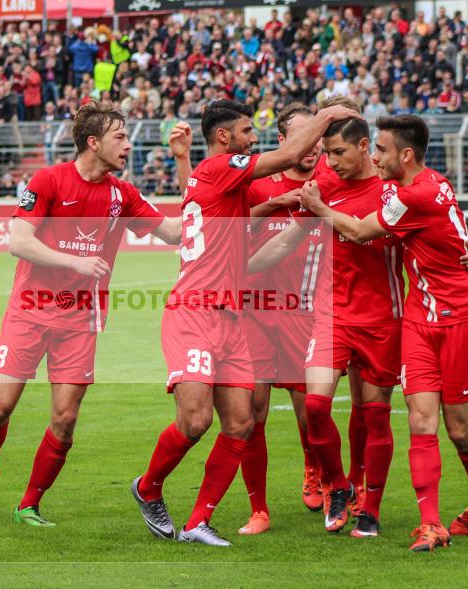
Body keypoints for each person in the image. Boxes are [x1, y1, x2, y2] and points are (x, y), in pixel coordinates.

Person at [131, 99, 358, 546]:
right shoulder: (221, 168)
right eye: (248, 131)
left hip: (233, 316)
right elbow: (289, 155)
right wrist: (330, 114)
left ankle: (198, 523)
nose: (254, 138)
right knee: (196, 421)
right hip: (195, 311)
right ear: (224, 137)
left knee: (240, 422)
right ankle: (148, 487)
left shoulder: (218, 182)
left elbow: (231, 219)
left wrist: (277, 203)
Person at [249, 113, 468, 539]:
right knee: (315, 405)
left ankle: (370, 508)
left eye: (338, 152)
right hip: (333, 314)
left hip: (385, 318)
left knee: (375, 416)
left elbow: (427, 231)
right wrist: (237, 268)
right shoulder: (324, 182)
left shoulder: (395, 192)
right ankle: (337, 485)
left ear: (363, 147)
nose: (330, 161)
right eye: (327, 153)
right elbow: (287, 239)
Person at [0, 101, 182, 527]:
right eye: (120, 137)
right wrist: (75, 262)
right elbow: (19, 241)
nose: (128, 146)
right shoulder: (49, 179)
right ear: (93, 142)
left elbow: (173, 232)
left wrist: (189, 168)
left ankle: (29, 505)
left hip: (80, 320)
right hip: (29, 310)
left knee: (66, 419)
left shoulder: (123, 194)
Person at [233, 102, 327, 536]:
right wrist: (271, 206)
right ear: (283, 141)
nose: (312, 145)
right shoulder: (257, 184)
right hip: (254, 310)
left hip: (305, 311)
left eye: (317, 136)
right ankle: (259, 509)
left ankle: (314, 468)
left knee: (311, 412)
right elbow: (222, 226)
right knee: (252, 411)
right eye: (302, 136)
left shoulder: (331, 182)